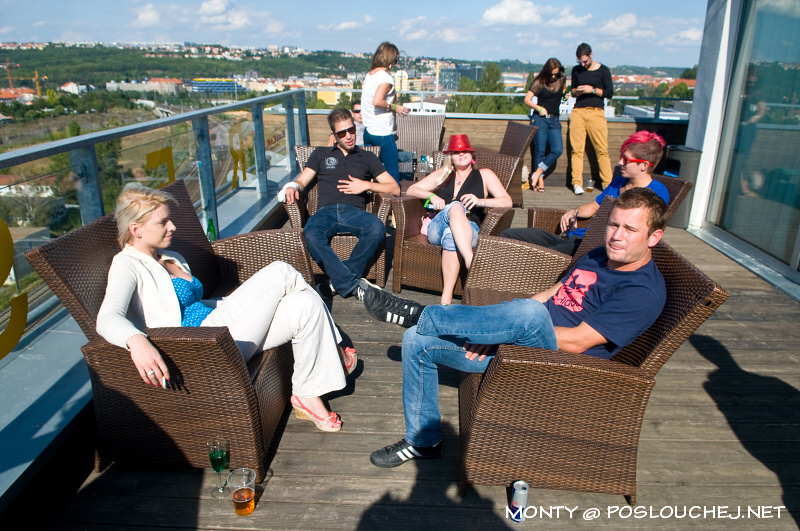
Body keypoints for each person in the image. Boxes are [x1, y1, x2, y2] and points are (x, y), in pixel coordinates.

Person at [367, 188, 668, 467]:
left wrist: (509, 333)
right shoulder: (600, 254)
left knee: (528, 312)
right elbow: (554, 291)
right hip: (523, 341)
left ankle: (418, 312)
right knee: (415, 341)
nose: (616, 236)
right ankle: (423, 442)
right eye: (614, 225)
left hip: (561, 366)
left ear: (653, 237)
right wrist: (498, 329)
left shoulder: (642, 291)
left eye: (630, 229)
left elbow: (577, 342)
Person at [96, 185, 355, 433]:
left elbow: (194, 304)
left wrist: (232, 304)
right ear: (136, 229)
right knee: (282, 271)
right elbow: (107, 317)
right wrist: (136, 340)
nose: (172, 227)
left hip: (221, 326)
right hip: (204, 345)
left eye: (169, 220)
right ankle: (335, 350)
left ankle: (306, 394)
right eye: (162, 222)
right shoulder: (127, 264)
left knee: (305, 305)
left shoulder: (170, 257)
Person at [282, 107, 400, 307]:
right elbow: (302, 181)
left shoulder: (368, 157)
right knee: (310, 233)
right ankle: (348, 283)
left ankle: (333, 284)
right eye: (342, 133)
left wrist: (366, 185)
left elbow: (395, 188)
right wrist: (292, 186)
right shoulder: (320, 154)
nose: (349, 136)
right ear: (333, 135)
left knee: (377, 228)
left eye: (351, 130)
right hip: (325, 212)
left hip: (355, 212)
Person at [501, 130, 670, 255]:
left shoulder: (657, 194)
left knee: (549, 252)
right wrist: (575, 211)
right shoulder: (620, 182)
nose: (620, 163)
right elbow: (593, 206)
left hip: (596, 247)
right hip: (576, 237)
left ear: (644, 165)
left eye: (626, 160)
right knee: (509, 234)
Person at [406, 134, 512, 305]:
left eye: (465, 151)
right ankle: (471, 261)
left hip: (470, 229)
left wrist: (481, 201)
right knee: (455, 207)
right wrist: (431, 196)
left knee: (451, 235)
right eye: (456, 152)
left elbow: (507, 201)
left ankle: (445, 300)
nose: (461, 154)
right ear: (451, 157)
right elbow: (411, 190)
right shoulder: (444, 174)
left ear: (471, 154)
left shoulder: (484, 175)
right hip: (437, 229)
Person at [361, 41, 410, 185]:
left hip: (368, 130)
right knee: (392, 174)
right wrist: (396, 107)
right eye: (395, 59)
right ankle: (394, 205)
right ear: (390, 59)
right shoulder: (385, 78)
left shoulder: (370, 75)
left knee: (371, 172)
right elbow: (377, 101)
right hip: (381, 132)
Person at [569, 43, 614, 194]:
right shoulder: (576, 70)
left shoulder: (603, 71)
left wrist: (592, 90)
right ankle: (577, 183)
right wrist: (578, 91)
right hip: (578, 112)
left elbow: (609, 93)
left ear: (591, 55)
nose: (582, 64)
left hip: (596, 112)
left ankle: (607, 184)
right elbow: (572, 91)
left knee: (602, 150)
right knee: (577, 150)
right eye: (579, 61)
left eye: (584, 61)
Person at [524, 58, 566, 192]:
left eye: (556, 73)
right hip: (540, 118)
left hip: (554, 120)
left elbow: (563, 92)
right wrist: (539, 108)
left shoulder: (562, 80)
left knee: (557, 149)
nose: (554, 76)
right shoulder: (539, 82)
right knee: (540, 151)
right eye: (552, 74)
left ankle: (536, 173)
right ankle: (540, 181)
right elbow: (527, 100)